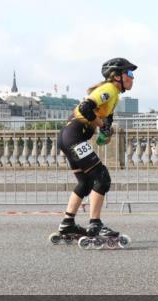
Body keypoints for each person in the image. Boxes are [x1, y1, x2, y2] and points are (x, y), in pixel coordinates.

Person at [54, 57, 136, 247]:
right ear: (116, 77)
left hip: (70, 137)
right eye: (129, 73)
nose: (133, 77)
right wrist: (102, 126)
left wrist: (105, 131)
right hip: (74, 136)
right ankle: (95, 224)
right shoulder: (108, 89)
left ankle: (67, 224)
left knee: (85, 182)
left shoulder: (114, 95)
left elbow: (103, 125)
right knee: (102, 177)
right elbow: (85, 108)